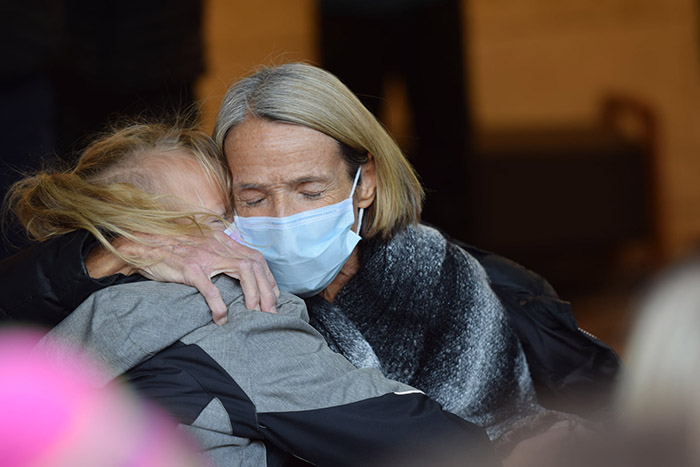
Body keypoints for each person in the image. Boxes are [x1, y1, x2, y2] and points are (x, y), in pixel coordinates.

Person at [0, 63, 619, 444]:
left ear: (365, 182)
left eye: (310, 190)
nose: (284, 218)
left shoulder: (475, 282)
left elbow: (611, 402)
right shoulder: (207, 303)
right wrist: (106, 255)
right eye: (254, 196)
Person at [4, 122, 496, 466]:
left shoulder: (44, 313)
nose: (248, 233)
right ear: (159, 235)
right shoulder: (226, 316)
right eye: (224, 219)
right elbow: (435, 445)